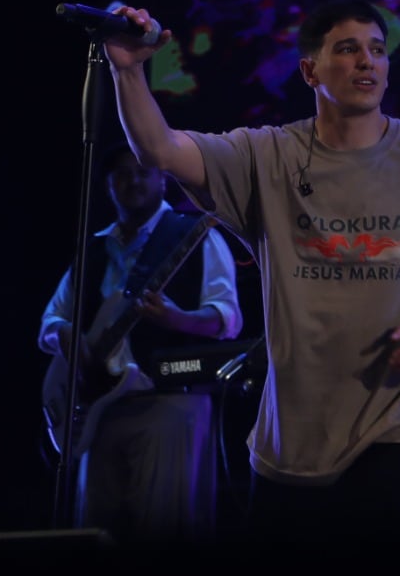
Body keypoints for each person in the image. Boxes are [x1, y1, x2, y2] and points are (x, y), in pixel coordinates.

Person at [100, 0, 400, 540]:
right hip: (292, 443)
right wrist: (128, 70)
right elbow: (160, 151)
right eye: (349, 49)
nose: (368, 62)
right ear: (310, 70)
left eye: (378, 51)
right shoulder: (267, 156)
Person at [38, 145, 245, 544]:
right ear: (107, 186)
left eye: (142, 172)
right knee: (97, 537)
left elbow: (227, 319)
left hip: (168, 403)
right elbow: (50, 322)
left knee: (160, 538)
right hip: (98, 411)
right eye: (120, 174)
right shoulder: (93, 249)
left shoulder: (195, 234)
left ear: (162, 178)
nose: (133, 180)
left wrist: (175, 318)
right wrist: (65, 335)